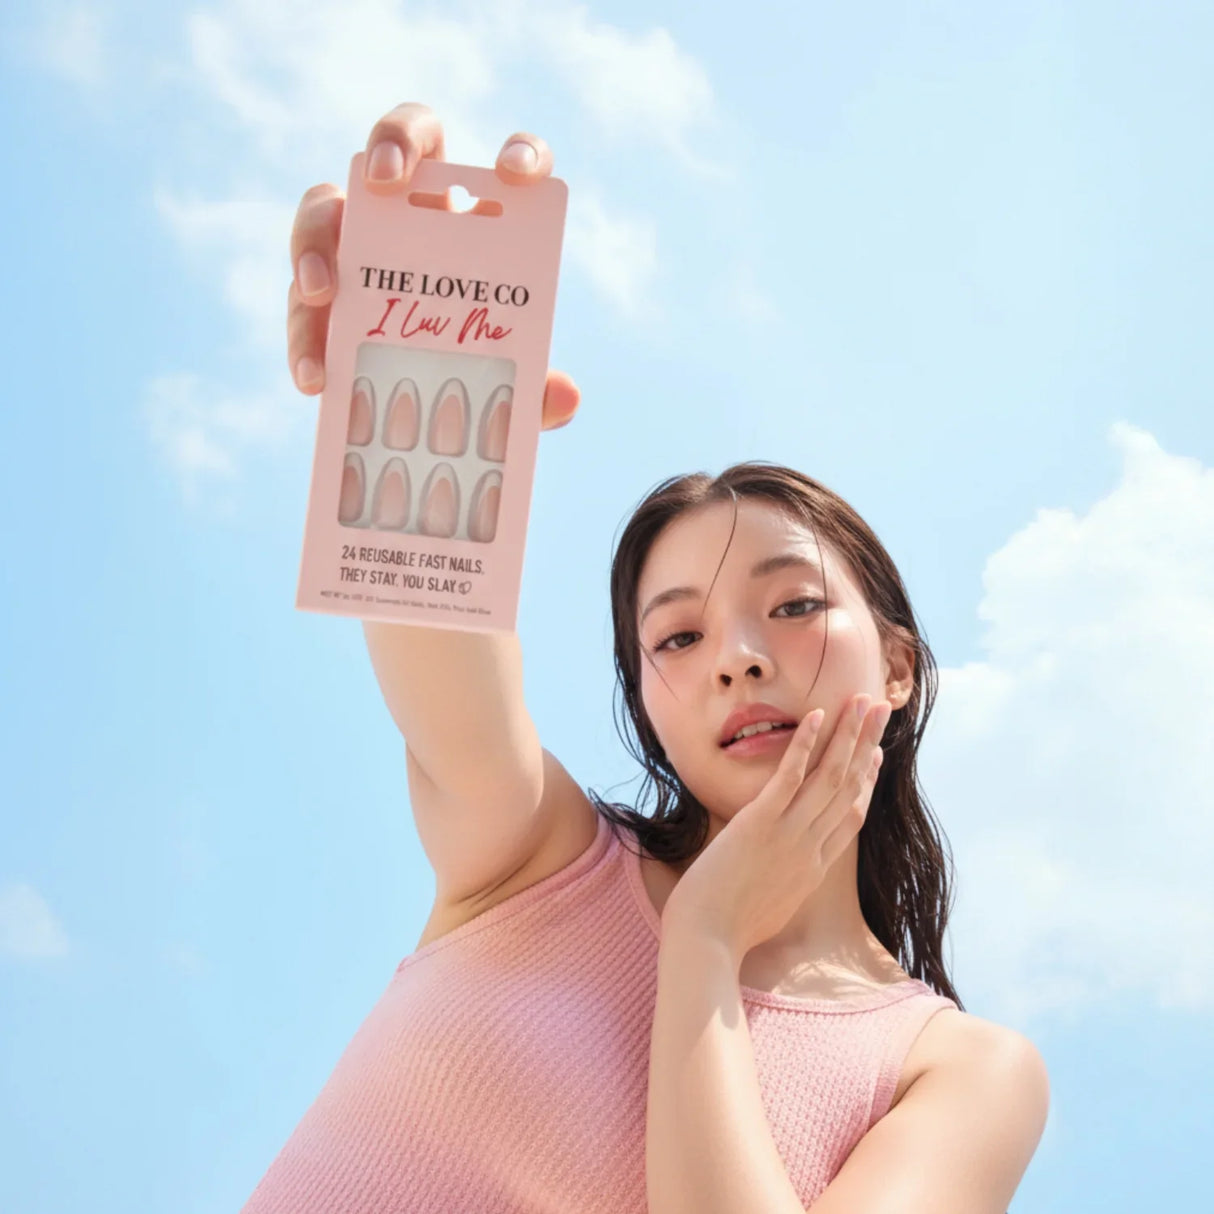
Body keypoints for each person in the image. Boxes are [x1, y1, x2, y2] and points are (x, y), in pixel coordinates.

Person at [251, 101, 1050, 1214]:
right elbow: (427, 605)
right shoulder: (533, 861)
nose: (736, 659)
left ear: (900, 664)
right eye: (677, 635)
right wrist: (416, 381)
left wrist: (706, 940)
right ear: (645, 696)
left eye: (792, 605)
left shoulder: (957, 1070)